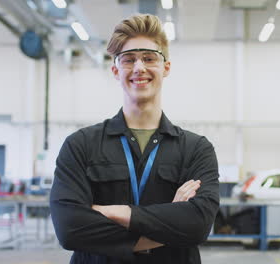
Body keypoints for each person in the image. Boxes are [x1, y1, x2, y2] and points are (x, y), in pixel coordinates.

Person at [50, 14, 220, 264]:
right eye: (129, 60)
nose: (139, 67)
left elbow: (198, 225)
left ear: (166, 68)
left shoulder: (196, 149)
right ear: (116, 70)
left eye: (149, 58)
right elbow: (70, 228)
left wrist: (116, 213)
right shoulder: (80, 145)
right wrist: (169, 224)